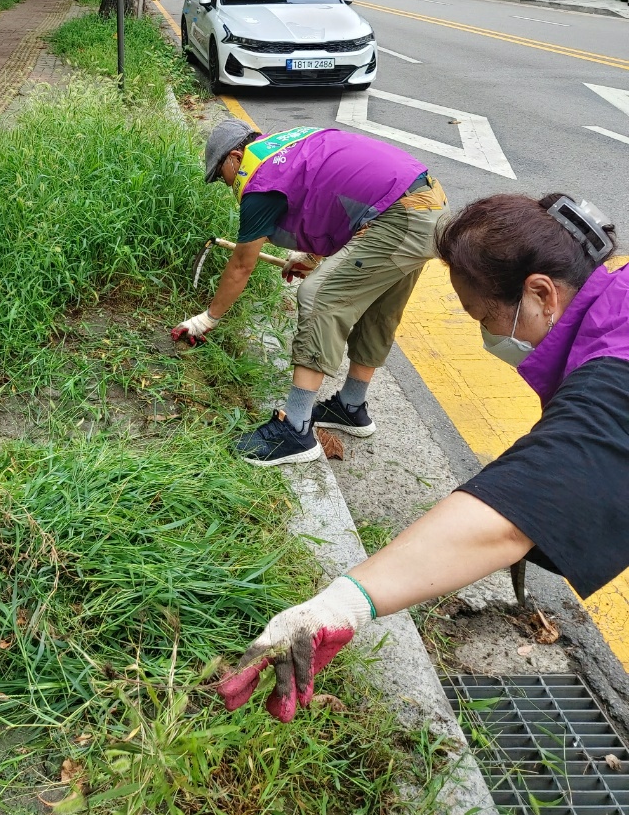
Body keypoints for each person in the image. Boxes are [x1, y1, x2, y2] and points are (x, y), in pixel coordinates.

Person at [216, 192, 626, 723]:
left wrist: (337, 607)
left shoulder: (618, 371)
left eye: (487, 319)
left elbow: (526, 502)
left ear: (542, 293)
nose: (490, 337)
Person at [172, 118, 448, 465]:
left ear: (234, 157)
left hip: (398, 215)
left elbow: (242, 265)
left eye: (220, 175)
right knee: (379, 307)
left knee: (318, 297)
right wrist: (312, 256)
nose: (224, 184)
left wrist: (207, 320)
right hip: (426, 204)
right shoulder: (290, 148)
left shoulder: (259, 179)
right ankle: (351, 407)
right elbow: (334, 194)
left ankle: (296, 430)